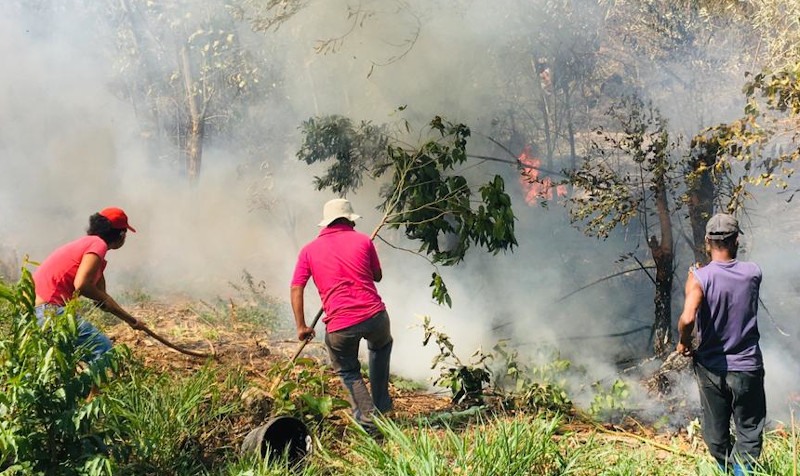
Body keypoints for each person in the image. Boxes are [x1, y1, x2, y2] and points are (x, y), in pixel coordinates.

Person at [290, 198, 393, 429]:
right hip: (376, 317)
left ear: (326, 223)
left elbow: (297, 287)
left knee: (348, 370)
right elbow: (377, 276)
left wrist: (302, 326)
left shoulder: (308, 250)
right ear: (349, 219)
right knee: (380, 347)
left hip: (341, 325)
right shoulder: (363, 241)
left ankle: (369, 423)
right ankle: (383, 407)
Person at [677, 213, 765, 476]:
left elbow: (688, 317)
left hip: (712, 369)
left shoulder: (699, 277)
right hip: (748, 366)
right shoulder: (753, 272)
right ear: (737, 241)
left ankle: (728, 470)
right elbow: (729, 281)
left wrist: (683, 342)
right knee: (749, 430)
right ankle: (743, 473)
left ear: (707, 242)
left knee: (716, 434)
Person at [33, 207, 143, 362]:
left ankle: (83, 386)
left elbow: (103, 299)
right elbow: (82, 285)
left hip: (34, 312)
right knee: (104, 351)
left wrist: (132, 321)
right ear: (121, 235)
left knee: (62, 362)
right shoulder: (97, 245)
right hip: (49, 311)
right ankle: (90, 387)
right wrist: (131, 320)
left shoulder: (87, 246)